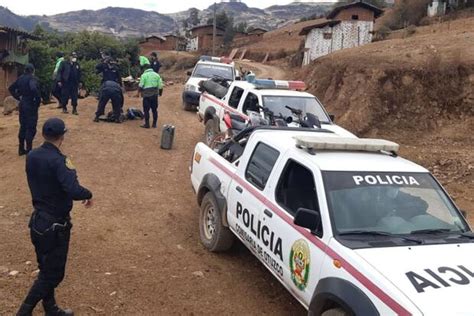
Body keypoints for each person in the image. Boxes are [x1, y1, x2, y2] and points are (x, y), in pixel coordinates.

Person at [17, 118, 93, 316]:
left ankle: (50, 308)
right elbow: (73, 189)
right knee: (53, 275)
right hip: (55, 226)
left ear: (43, 134)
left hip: (38, 222)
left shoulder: (32, 155)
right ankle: (24, 311)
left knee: (45, 269)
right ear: (62, 136)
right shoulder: (59, 160)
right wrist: (88, 194)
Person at [8, 63, 41, 156]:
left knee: (23, 126)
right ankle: (29, 150)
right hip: (31, 104)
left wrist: (18, 97)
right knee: (31, 127)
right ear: (33, 70)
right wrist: (37, 100)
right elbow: (34, 88)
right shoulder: (32, 79)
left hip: (22, 104)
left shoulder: (20, 78)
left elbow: (11, 88)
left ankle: (21, 148)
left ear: (25, 70)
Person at [138, 64, 164, 128]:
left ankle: (147, 124)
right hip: (154, 95)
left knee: (146, 110)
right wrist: (160, 93)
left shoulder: (143, 75)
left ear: (144, 69)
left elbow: (141, 85)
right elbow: (160, 86)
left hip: (146, 95)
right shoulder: (157, 75)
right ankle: (154, 124)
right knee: (154, 110)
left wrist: (139, 92)